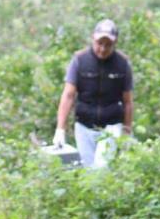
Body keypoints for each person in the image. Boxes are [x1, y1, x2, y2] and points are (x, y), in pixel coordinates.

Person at [53, 19, 133, 168]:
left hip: (111, 125)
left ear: (114, 44)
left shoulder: (122, 64)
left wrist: (127, 131)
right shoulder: (80, 60)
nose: (103, 48)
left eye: (108, 45)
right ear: (93, 39)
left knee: (102, 167)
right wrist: (60, 129)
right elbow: (68, 95)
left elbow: (127, 101)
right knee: (88, 170)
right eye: (100, 43)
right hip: (84, 124)